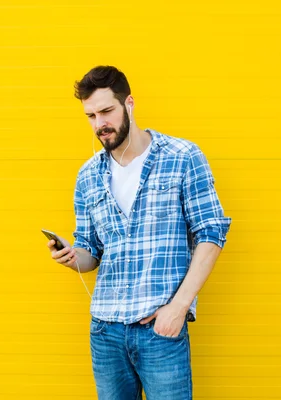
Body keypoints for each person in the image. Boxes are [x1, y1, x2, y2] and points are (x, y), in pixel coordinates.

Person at [46, 65, 232, 400]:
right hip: (105, 331)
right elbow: (91, 251)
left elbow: (212, 233)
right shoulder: (88, 176)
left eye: (106, 111)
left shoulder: (182, 157)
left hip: (159, 329)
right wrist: (72, 257)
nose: (100, 124)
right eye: (90, 116)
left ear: (128, 103)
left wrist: (179, 306)